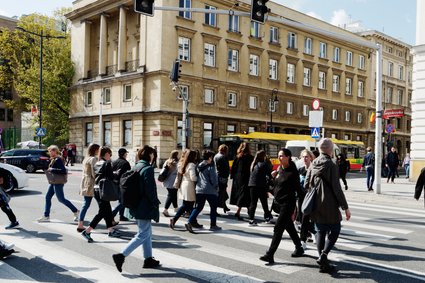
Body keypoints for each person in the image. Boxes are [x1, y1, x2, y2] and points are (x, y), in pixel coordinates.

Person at [304, 138, 351, 273]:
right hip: (330, 204)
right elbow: (337, 188)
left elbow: (306, 184)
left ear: (319, 150)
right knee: (335, 229)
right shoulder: (332, 165)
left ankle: (322, 263)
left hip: (316, 204)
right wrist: (345, 207)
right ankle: (324, 256)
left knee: (320, 231)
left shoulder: (313, 164)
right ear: (331, 150)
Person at [112, 145, 161, 272]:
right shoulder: (148, 168)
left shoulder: (136, 166)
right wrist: (155, 203)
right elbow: (150, 190)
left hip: (135, 204)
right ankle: (121, 255)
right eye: (153, 154)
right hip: (144, 206)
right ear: (150, 155)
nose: (153, 157)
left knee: (146, 232)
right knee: (143, 233)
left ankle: (148, 258)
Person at [259, 148, 304, 265]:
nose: (279, 158)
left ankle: (270, 254)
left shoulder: (293, 172)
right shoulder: (279, 170)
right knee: (289, 226)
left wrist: (303, 207)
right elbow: (275, 187)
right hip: (279, 204)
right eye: (278, 156)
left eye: (282, 156)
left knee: (278, 228)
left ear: (288, 157)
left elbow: (299, 190)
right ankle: (299, 247)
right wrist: (272, 178)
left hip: (288, 204)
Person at [81, 146, 120, 243]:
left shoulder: (98, 162)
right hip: (104, 190)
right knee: (102, 212)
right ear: (106, 154)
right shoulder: (107, 163)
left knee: (107, 210)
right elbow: (111, 177)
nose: (110, 156)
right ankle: (87, 231)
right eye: (109, 154)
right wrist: (116, 173)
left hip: (96, 189)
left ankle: (110, 230)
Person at [37, 145, 79, 222]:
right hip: (54, 182)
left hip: (58, 182)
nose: (49, 152)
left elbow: (63, 170)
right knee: (48, 197)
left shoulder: (58, 159)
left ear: (55, 151)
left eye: (51, 151)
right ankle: (46, 216)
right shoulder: (54, 159)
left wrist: (52, 169)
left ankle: (76, 211)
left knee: (61, 199)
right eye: (49, 151)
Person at [185, 150, 222, 233]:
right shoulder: (211, 166)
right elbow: (213, 179)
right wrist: (216, 187)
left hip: (199, 189)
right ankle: (213, 225)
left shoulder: (198, 165)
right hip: (210, 190)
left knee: (198, 207)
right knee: (213, 207)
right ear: (210, 157)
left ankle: (189, 222)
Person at [169, 150, 198, 229]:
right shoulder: (191, 165)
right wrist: (199, 179)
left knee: (186, 205)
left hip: (183, 184)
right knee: (190, 205)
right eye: (195, 155)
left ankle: (177, 220)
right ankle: (191, 222)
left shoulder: (182, 163)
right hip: (190, 186)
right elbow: (193, 177)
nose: (196, 157)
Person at [77, 143, 100, 232]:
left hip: (85, 182)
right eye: (98, 149)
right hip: (92, 183)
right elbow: (94, 173)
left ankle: (80, 224)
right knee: (103, 204)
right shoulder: (94, 159)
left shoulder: (86, 158)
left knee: (85, 204)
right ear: (95, 150)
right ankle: (110, 223)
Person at [247, 150, 273, 226]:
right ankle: (267, 218)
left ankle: (251, 220)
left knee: (253, 203)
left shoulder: (253, 164)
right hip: (260, 185)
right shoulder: (264, 164)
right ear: (263, 156)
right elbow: (269, 175)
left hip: (252, 185)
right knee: (264, 202)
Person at [230, 142, 254, 221]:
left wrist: (232, 176)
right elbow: (252, 168)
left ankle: (245, 211)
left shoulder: (238, 157)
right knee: (245, 194)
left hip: (238, 178)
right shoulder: (250, 157)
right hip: (247, 177)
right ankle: (242, 211)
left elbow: (233, 168)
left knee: (243, 194)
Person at [298, 149, 316, 249]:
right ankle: (314, 232)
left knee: (306, 219)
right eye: (303, 157)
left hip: (310, 198)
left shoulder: (314, 169)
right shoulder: (300, 170)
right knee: (301, 219)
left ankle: (302, 240)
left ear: (310, 158)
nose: (305, 159)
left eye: (307, 157)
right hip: (301, 197)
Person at [112, 148, 131, 222]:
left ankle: (122, 216)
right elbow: (128, 174)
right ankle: (113, 213)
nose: (126, 155)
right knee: (124, 201)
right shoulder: (125, 163)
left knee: (121, 200)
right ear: (123, 154)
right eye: (126, 153)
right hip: (122, 184)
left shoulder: (114, 162)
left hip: (114, 183)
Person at [161, 150, 179, 217]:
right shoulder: (176, 162)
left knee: (173, 195)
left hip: (167, 180)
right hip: (173, 181)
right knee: (171, 195)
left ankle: (176, 208)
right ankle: (165, 210)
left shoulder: (167, 161)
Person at [214, 145, 231, 214]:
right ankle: (219, 207)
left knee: (221, 193)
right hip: (222, 177)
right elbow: (226, 168)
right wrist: (227, 176)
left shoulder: (216, 156)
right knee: (222, 193)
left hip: (217, 175)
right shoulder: (223, 157)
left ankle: (224, 205)